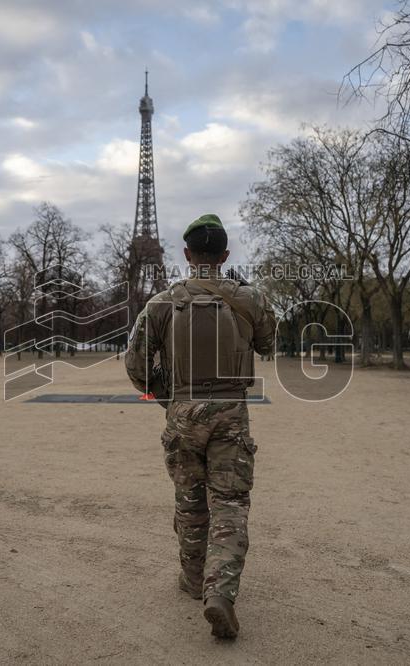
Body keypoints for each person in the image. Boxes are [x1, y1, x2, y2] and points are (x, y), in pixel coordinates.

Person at [125, 214, 276, 640]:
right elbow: (269, 344)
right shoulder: (250, 299)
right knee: (229, 503)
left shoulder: (162, 303)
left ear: (187, 255)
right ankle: (220, 592)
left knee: (190, 500)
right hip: (231, 411)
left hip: (183, 410)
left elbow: (135, 364)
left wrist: (168, 398)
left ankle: (193, 580)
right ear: (225, 255)